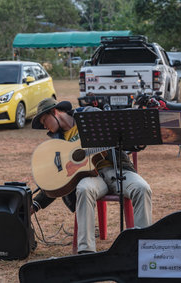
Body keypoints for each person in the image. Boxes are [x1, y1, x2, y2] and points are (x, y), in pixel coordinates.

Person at [31, 98, 152, 254]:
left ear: (54, 112)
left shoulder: (88, 115)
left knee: (142, 188)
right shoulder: (58, 141)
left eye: (43, 120)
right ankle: (86, 251)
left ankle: (145, 249)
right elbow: (58, 179)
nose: (43, 125)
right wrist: (36, 203)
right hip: (92, 179)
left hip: (116, 169)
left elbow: (117, 135)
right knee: (83, 188)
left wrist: (136, 143)